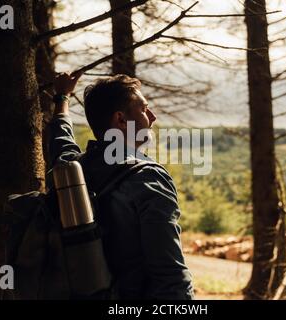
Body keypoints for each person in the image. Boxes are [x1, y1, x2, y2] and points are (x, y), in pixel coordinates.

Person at [48, 72, 194, 300]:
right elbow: (170, 273)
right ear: (121, 120)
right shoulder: (147, 178)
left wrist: (62, 98)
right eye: (144, 109)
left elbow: (61, 143)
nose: (153, 117)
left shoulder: (71, 171)